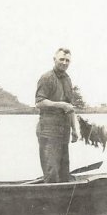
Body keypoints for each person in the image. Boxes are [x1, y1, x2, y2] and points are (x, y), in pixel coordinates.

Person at [35, 48, 80, 183]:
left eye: (67, 60)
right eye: (61, 59)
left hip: (64, 132)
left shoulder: (67, 79)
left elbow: (70, 107)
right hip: (49, 132)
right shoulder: (46, 78)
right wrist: (60, 105)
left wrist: (74, 130)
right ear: (54, 59)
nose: (64, 63)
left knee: (64, 172)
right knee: (52, 173)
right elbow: (39, 102)